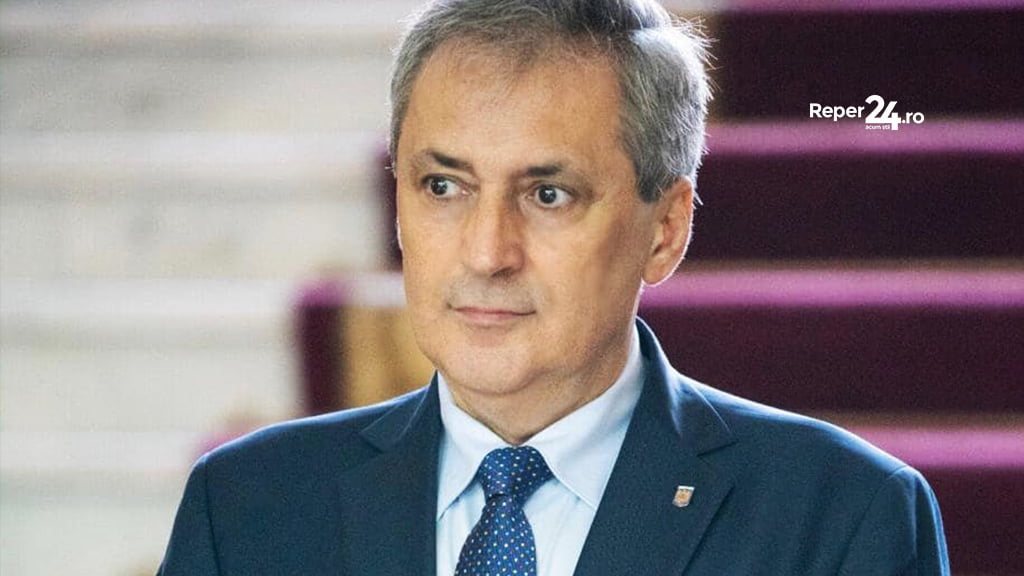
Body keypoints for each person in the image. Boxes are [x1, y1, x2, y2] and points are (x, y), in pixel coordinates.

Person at [158, 1, 950, 574]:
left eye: (548, 194)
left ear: (665, 231)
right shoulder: (245, 507)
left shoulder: (843, 518)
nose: (486, 253)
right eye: (443, 186)